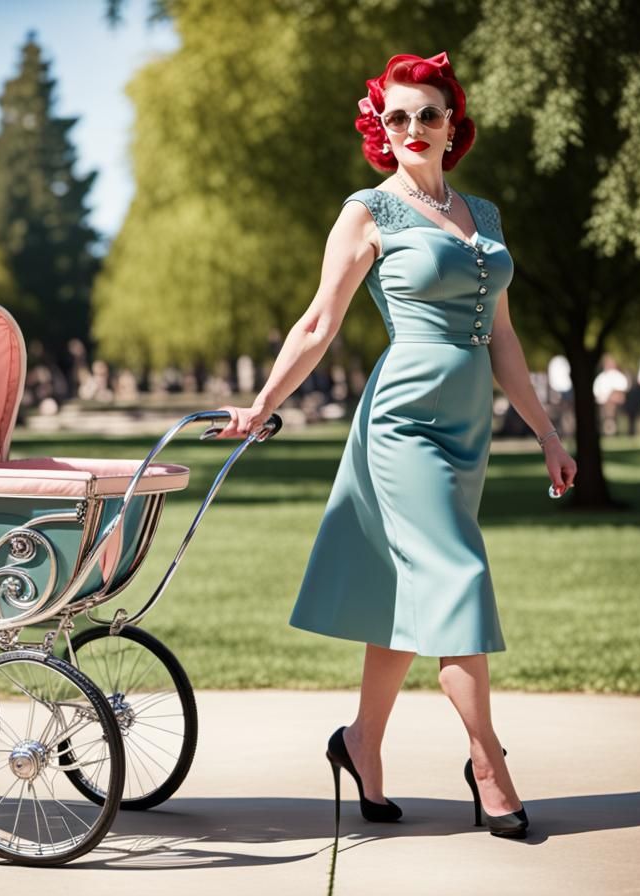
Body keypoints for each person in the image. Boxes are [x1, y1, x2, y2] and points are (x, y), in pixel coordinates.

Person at [217, 51, 576, 839]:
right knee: (457, 577)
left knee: (405, 595)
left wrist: (548, 432)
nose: (413, 129)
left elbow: (503, 338)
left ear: (454, 124)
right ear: (382, 129)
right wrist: (262, 404)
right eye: (398, 118)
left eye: (429, 115)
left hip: (468, 427)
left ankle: (361, 743)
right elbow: (319, 323)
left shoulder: (483, 215)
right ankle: (489, 764)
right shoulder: (369, 211)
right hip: (403, 421)